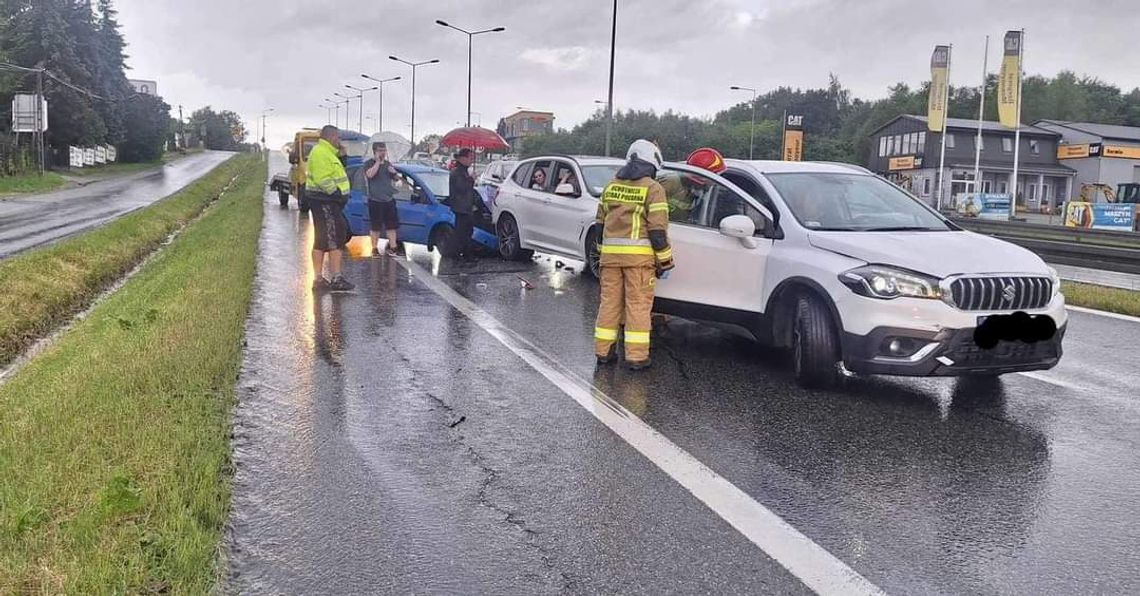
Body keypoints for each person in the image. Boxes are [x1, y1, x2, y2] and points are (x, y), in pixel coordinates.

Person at [594, 139, 674, 370]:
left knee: (609, 304)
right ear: (652, 161)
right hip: (638, 262)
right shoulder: (652, 188)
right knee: (638, 306)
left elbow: (599, 226)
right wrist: (665, 261)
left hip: (610, 260)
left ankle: (604, 352)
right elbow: (657, 232)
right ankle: (637, 357)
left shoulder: (611, 186)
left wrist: (602, 255)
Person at [306, 125, 354, 292]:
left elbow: (338, 170)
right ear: (331, 137)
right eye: (338, 137)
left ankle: (320, 278)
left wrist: (343, 154)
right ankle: (335, 278)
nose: (339, 140)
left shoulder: (326, 153)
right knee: (335, 238)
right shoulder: (320, 153)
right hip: (325, 201)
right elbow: (322, 179)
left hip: (326, 201)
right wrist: (337, 194)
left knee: (323, 239)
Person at [363, 142, 403, 257]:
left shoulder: (388, 164)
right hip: (375, 200)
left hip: (388, 200)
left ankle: (393, 247)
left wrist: (394, 174)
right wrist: (377, 163)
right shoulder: (369, 163)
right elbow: (370, 175)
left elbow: (396, 178)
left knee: (392, 225)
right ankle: (374, 248)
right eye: (380, 150)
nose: (383, 153)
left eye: (384, 150)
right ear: (374, 151)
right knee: (375, 226)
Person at [447, 148, 479, 266]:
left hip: (467, 206)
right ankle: (457, 255)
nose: (471, 160)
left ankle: (467, 255)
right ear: (462, 158)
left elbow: (468, 190)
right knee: (461, 233)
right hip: (461, 207)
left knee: (467, 232)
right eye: (470, 157)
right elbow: (461, 188)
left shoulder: (464, 171)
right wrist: (471, 179)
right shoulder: (457, 172)